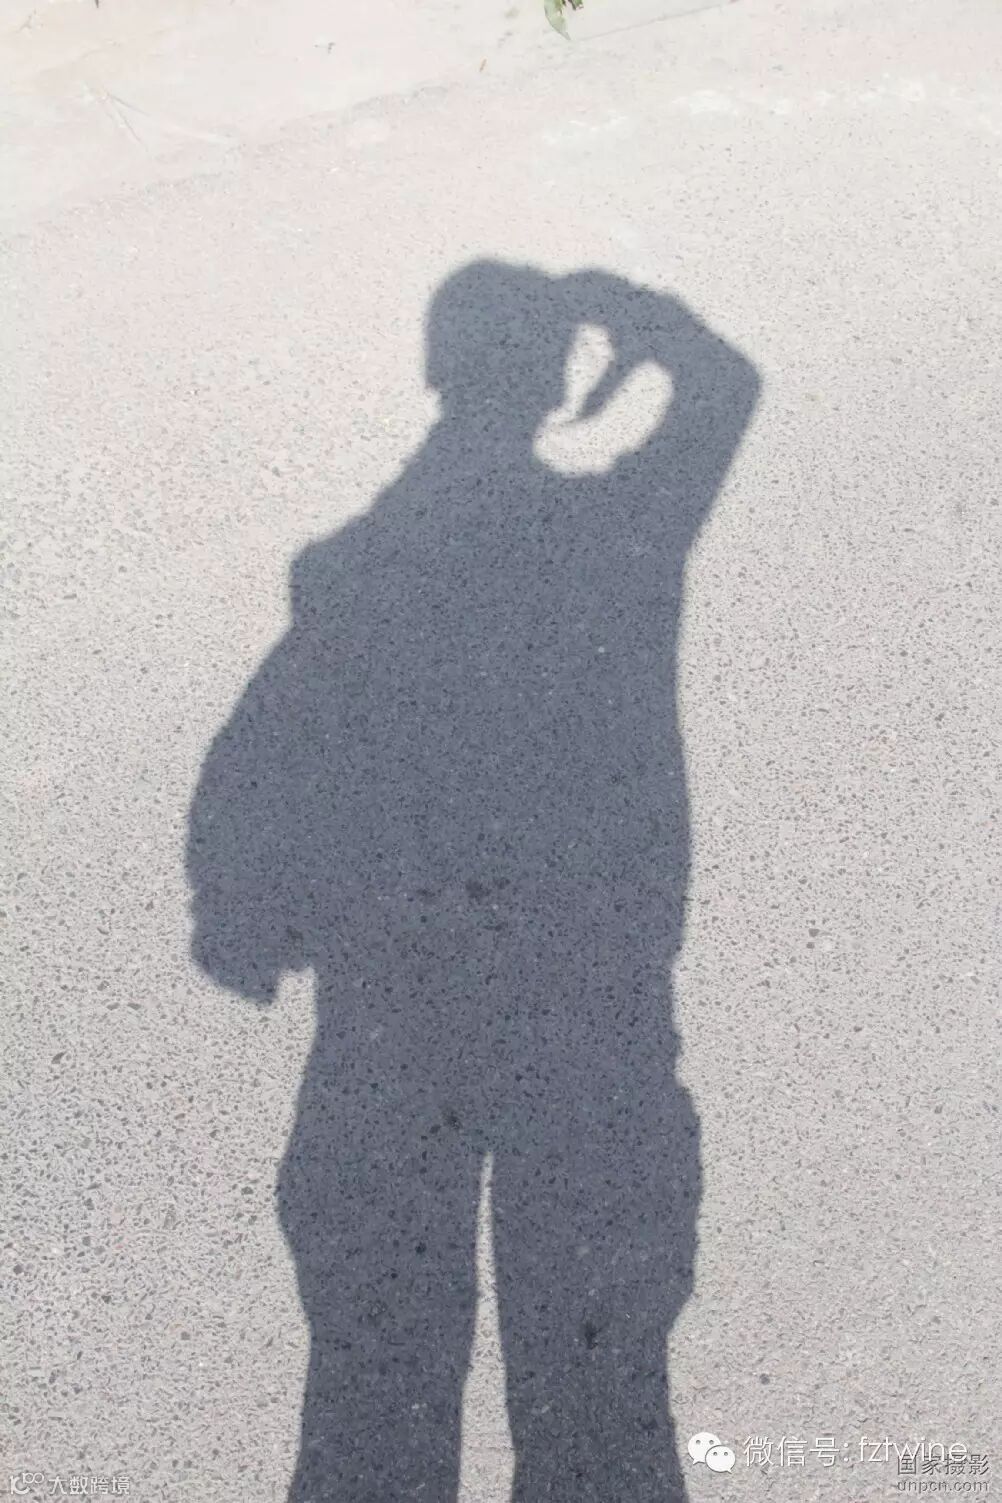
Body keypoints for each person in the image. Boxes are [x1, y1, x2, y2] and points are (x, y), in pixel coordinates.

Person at [187, 261, 759, 1501]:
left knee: (375, 1401)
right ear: (556, 381)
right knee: (600, 1408)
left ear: (439, 373)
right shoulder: (620, 536)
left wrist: (242, 917)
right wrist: (630, 312)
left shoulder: (350, 571)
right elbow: (724, 387)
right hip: (591, 1012)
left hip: (397, 1016)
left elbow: (256, 763)